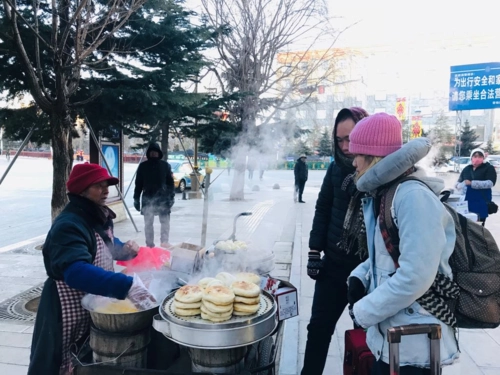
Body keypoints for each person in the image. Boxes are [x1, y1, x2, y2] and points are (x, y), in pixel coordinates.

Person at [347, 113, 459, 374]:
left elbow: (416, 275)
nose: (354, 163)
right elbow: (387, 253)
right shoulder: (389, 192)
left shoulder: (412, 196)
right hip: (394, 337)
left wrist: (362, 311)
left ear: (374, 156)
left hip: (415, 345)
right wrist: (359, 276)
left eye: (357, 155)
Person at [29, 163, 156, 375]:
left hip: (92, 302)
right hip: (64, 306)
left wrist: (125, 250)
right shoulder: (69, 224)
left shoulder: (95, 215)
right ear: (81, 190)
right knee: (60, 362)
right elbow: (76, 271)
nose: (106, 190)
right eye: (99, 185)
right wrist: (127, 286)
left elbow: (105, 245)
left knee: (85, 358)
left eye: (107, 185)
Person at [301, 107, 368, 374]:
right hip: (333, 267)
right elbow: (323, 209)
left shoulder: (381, 173)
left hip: (366, 273)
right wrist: (314, 252)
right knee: (318, 328)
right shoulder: (335, 169)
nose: (345, 147)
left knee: (364, 336)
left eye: (350, 138)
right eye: (339, 140)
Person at [134, 143, 175, 247]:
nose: (153, 154)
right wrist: (136, 198)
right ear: (148, 153)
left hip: (163, 199)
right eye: (151, 152)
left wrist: (171, 197)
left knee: (165, 223)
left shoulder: (165, 166)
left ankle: (164, 242)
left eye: (155, 152)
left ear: (159, 153)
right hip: (148, 198)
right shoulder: (143, 166)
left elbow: (170, 183)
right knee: (148, 224)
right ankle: (149, 244)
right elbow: (138, 184)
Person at [456, 148, 497, 226]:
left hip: (481, 201)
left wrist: (472, 183)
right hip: (466, 201)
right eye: (475, 156)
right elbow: (458, 182)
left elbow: (490, 183)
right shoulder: (467, 169)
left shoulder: (488, 168)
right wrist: (461, 185)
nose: (477, 158)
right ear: (471, 157)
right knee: (465, 225)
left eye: (480, 156)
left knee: (478, 225)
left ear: (483, 158)